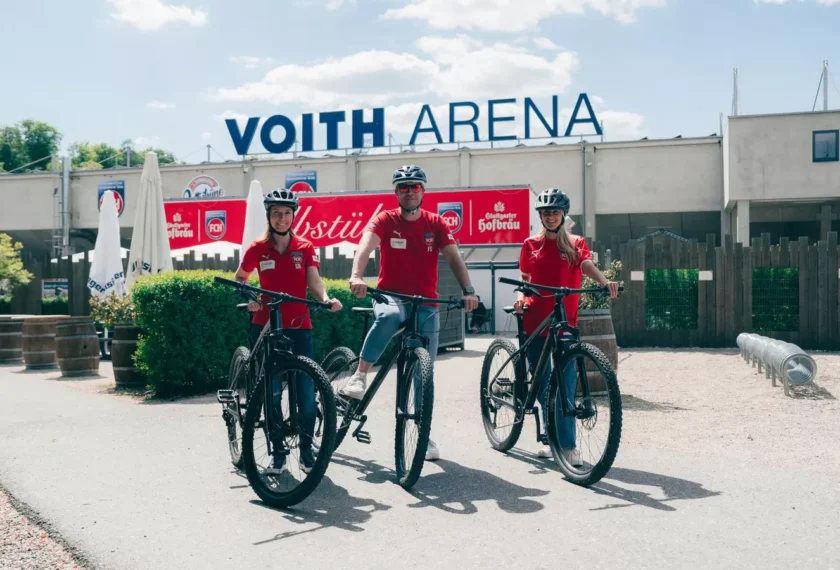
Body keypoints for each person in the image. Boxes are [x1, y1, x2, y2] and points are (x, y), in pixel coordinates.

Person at [344, 165, 480, 461]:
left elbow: (454, 258)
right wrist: (357, 275)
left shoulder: (436, 223)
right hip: (391, 296)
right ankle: (359, 375)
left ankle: (423, 433)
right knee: (390, 317)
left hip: (426, 302)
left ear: (423, 191)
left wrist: (468, 289)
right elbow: (365, 246)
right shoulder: (385, 219)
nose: (408, 191)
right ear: (396, 192)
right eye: (403, 187)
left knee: (424, 373)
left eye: (414, 187)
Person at [235, 188, 342, 475]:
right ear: (269, 216)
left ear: (293, 215)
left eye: (286, 213)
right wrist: (251, 299)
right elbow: (241, 278)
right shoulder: (257, 248)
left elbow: (315, 282)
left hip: (299, 327)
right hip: (266, 326)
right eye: (276, 213)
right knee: (270, 393)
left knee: (306, 392)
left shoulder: (305, 247)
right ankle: (278, 454)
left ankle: (307, 451)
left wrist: (325, 299)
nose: (282, 218)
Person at [513, 188, 618, 465]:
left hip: (564, 322)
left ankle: (568, 446)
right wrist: (521, 299)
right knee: (541, 382)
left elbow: (585, 264)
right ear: (540, 215)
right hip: (535, 319)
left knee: (566, 383)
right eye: (545, 212)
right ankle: (552, 433)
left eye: (555, 212)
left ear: (563, 215)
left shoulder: (575, 242)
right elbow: (525, 281)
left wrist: (603, 281)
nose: (550, 217)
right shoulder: (529, 244)